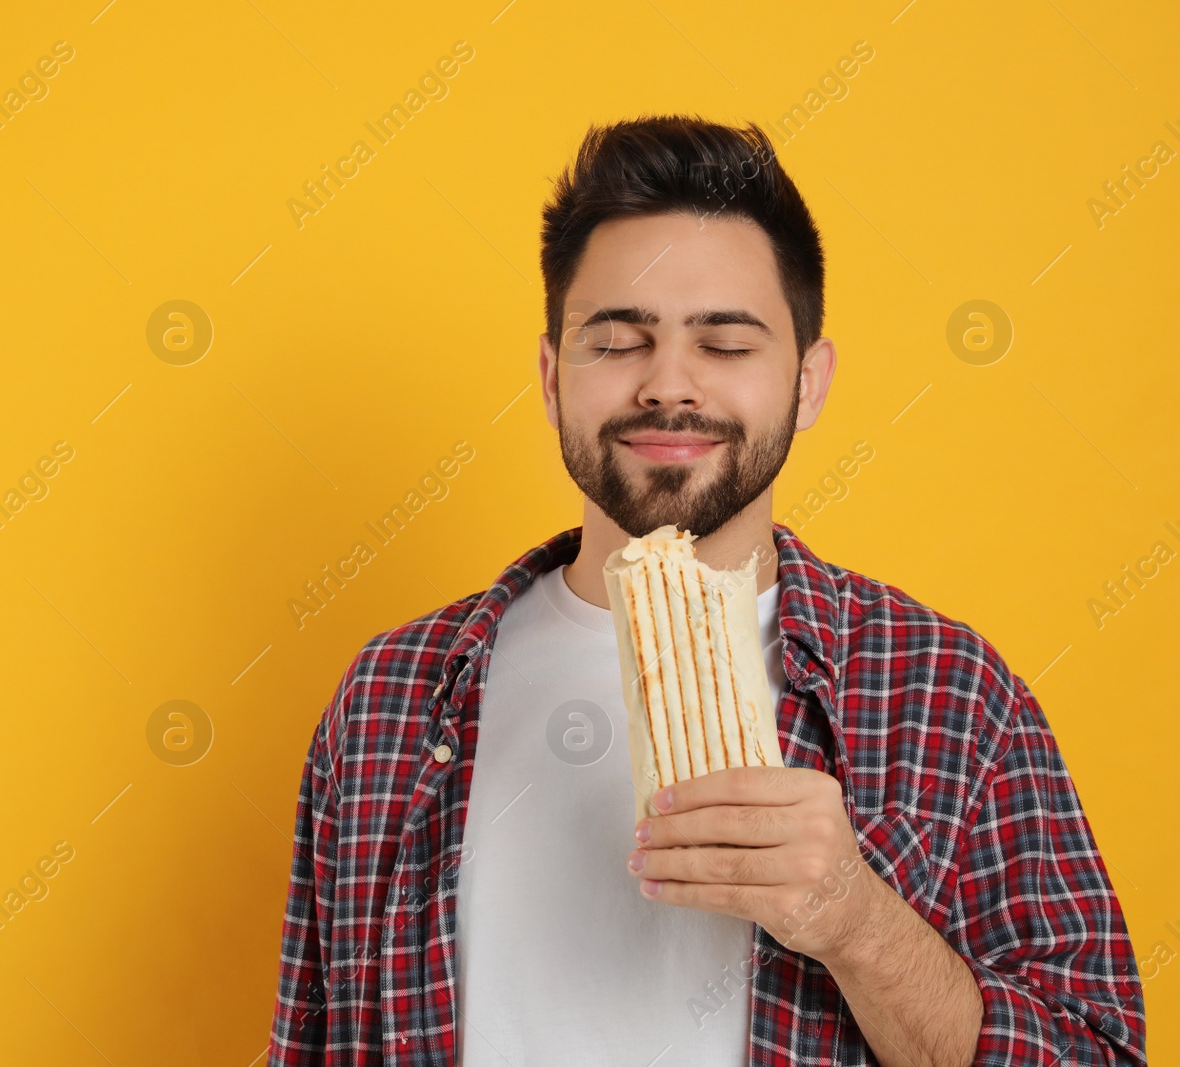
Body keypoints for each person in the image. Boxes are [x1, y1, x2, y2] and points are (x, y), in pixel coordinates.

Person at [266, 113, 1145, 1066]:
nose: (667, 383)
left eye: (725, 344)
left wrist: (855, 921)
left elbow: (1095, 1051)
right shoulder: (391, 699)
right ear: (553, 378)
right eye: (617, 341)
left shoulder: (950, 693)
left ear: (808, 382)